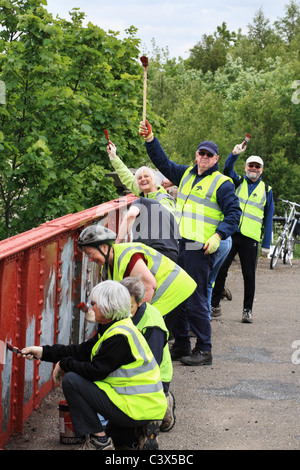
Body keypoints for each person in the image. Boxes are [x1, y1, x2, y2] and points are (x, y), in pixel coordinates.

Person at [139, 120, 241, 366]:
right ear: (196, 156)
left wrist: (218, 236)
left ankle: (204, 349)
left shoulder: (221, 183)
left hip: (200, 246)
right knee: (180, 295)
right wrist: (151, 138)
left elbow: (234, 214)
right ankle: (183, 344)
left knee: (195, 299)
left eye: (209, 155)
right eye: (201, 153)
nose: (204, 157)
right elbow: (162, 163)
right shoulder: (185, 174)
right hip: (180, 244)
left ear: (216, 159)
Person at [20, 281, 167, 450]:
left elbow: (96, 371)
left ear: (108, 306)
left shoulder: (118, 337)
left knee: (72, 381)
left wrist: (64, 364)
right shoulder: (119, 327)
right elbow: (81, 351)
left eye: (94, 304)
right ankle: (138, 431)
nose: (91, 307)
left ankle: (99, 442)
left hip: (133, 407)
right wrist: (43, 352)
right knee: (121, 441)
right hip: (142, 404)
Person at [77, 224, 197, 333]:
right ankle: (182, 348)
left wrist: (134, 322)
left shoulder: (128, 256)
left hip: (173, 289)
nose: (90, 259)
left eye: (90, 254)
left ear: (104, 247)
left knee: (152, 333)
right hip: (174, 288)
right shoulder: (107, 269)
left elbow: (149, 287)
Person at [211, 143, 275, 323]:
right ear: (246, 167)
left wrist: (267, 245)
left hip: (251, 237)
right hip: (231, 233)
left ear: (261, 170)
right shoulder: (237, 181)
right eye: (250, 165)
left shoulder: (267, 190)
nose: (253, 168)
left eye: (257, 166)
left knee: (249, 275)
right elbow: (226, 168)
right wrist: (234, 154)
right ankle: (214, 305)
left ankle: (247, 310)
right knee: (221, 269)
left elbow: (269, 217)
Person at [120, 277, 175, 433]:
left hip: (155, 377)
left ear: (140, 302)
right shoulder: (126, 314)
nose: (123, 311)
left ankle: (163, 404)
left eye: (128, 306)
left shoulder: (152, 324)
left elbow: (152, 367)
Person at [107, 140, 176, 213]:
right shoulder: (143, 192)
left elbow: (169, 221)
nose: (143, 179)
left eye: (146, 176)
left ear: (154, 179)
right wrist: (113, 156)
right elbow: (126, 176)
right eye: (140, 178)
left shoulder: (163, 201)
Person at [116, 196, 179, 262]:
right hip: (172, 255)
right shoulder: (166, 214)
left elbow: (131, 215)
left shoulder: (141, 201)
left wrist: (117, 244)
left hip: (154, 252)